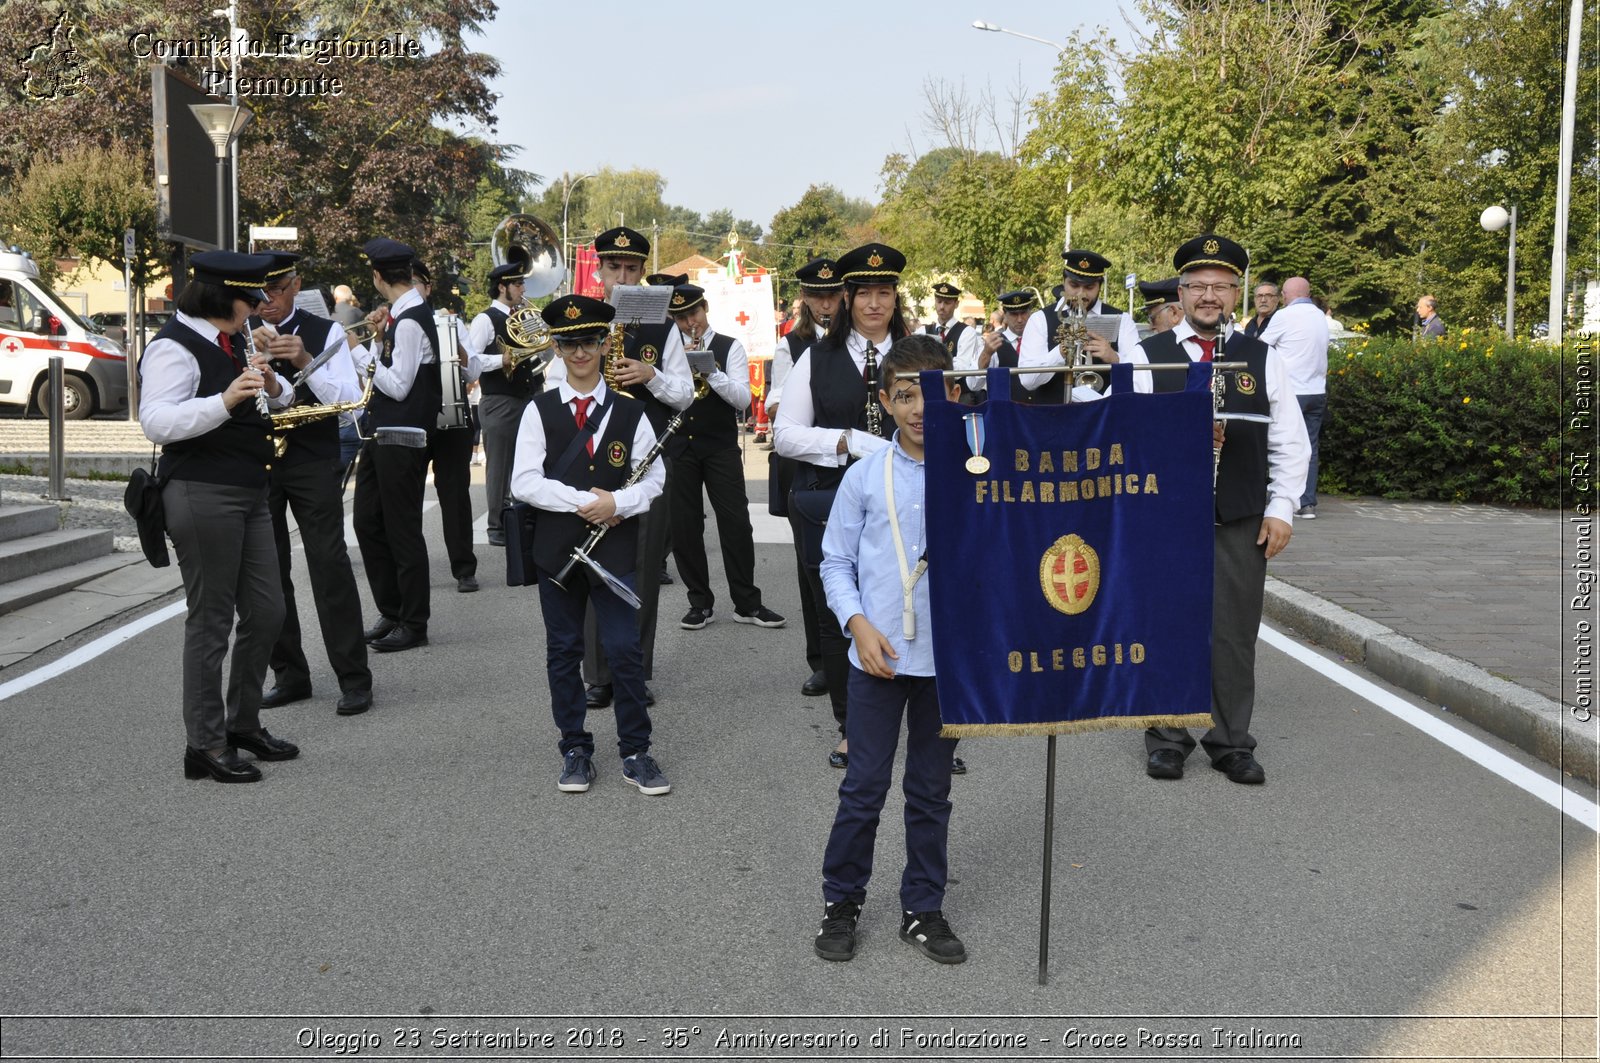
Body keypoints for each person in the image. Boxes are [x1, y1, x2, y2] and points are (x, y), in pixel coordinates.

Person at [1127, 234, 1309, 786]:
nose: (1210, 296)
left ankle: (1230, 741)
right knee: (1166, 625)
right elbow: (1122, 434)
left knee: (1233, 632)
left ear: (1237, 294)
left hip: (1240, 515)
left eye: (1222, 286)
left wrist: (1282, 508)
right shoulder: (1145, 355)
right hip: (1164, 518)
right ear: (1180, 293)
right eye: (1199, 286)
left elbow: (1290, 441)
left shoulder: (1263, 358)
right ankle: (1167, 737)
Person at [814, 333, 965, 965]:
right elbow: (834, 562)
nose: (920, 409)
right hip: (877, 658)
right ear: (884, 401)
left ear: (954, 393)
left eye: (933, 393)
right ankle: (842, 901)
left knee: (930, 791)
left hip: (948, 661)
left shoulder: (980, 463)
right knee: (865, 787)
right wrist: (856, 624)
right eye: (906, 396)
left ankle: (923, 907)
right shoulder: (862, 476)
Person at [140, 250, 298, 782]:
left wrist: (273, 386)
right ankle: (204, 745)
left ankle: (241, 723)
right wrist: (226, 400)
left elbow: (277, 398)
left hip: (249, 488)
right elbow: (157, 422)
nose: (257, 309)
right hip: (201, 490)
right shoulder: (172, 348)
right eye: (249, 300)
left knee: (268, 611)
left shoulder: (231, 339)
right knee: (210, 622)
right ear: (217, 297)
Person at [509, 294, 669, 796]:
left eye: (590, 342)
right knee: (564, 650)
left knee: (624, 650)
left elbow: (656, 478)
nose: (580, 352)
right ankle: (575, 747)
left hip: (614, 549)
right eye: (570, 343)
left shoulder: (630, 411)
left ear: (604, 344)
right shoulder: (538, 410)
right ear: (556, 347)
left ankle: (636, 751)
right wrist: (588, 502)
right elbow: (523, 482)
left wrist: (619, 503)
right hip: (558, 551)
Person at [773, 242, 904, 769]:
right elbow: (785, 436)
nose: (874, 304)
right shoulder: (814, 359)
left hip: (907, 497)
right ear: (846, 298)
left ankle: (927, 726)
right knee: (839, 614)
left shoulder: (919, 351)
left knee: (917, 606)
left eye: (885, 292)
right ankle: (852, 726)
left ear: (896, 297)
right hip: (833, 500)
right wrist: (845, 440)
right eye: (864, 293)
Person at [249, 251, 374, 717]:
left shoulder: (326, 332)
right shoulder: (239, 329)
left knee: (328, 563)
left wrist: (303, 358)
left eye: (276, 292)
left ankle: (354, 678)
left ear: (296, 286)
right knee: (268, 569)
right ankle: (290, 674)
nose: (266, 303)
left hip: (311, 458)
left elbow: (351, 403)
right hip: (259, 458)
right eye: (258, 294)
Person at [574, 229, 694, 711]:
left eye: (631, 269)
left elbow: (685, 395)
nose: (622, 278)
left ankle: (632, 670)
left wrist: (652, 376)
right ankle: (596, 673)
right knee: (591, 564)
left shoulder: (664, 328)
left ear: (641, 273)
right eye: (614, 268)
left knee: (641, 570)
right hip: (588, 459)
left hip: (646, 462)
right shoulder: (580, 323)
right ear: (599, 272)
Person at [665, 282, 786, 632]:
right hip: (681, 446)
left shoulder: (729, 346)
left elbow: (743, 399)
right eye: (681, 317)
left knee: (735, 523)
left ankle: (747, 602)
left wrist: (709, 371)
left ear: (705, 309)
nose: (690, 322)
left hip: (719, 446)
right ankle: (699, 603)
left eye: (694, 313)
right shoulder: (669, 350)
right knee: (685, 526)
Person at [349, 237, 441, 653]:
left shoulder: (409, 321)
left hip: (402, 439)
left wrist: (357, 354)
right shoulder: (402, 317)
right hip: (382, 435)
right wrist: (374, 339)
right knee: (367, 521)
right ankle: (392, 609)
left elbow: (398, 386)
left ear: (378, 276)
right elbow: (390, 369)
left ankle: (414, 622)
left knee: (402, 530)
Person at [767, 257, 843, 699]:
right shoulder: (789, 346)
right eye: (816, 295)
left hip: (849, 462)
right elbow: (777, 406)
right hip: (808, 467)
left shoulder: (858, 343)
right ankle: (821, 660)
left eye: (832, 295)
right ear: (805, 299)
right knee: (810, 567)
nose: (825, 303)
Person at [414, 260, 478, 593]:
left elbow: (474, 370)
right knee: (406, 496)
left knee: (454, 494)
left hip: (451, 419)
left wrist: (460, 352)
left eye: (416, 284)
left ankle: (464, 568)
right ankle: (409, 570)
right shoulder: (396, 324)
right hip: (411, 421)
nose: (410, 291)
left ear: (426, 288)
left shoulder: (448, 321)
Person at [467, 262, 539, 548]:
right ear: (502, 287)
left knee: (530, 461)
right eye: (518, 284)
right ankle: (496, 525)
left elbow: (538, 347)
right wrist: (502, 360)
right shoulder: (486, 320)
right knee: (499, 465)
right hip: (499, 400)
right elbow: (470, 361)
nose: (523, 288)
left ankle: (522, 518)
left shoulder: (522, 315)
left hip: (527, 396)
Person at [1017, 249, 1143, 402]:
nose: (1080, 294)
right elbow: (1027, 381)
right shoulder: (1040, 319)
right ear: (1064, 282)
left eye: (1089, 287)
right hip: (1053, 416)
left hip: (1104, 417)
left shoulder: (1123, 320)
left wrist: (1114, 358)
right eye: (1074, 285)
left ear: (1099, 286)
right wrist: (1060, 353)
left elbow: (1142, 376)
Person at [1258, 277, 1329, 520]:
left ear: (1287, 295)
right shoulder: (1320, 316)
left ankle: (1277, 497)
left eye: (1283, 295)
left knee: (1278, 445)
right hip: (1317, 391)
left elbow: (1260, 347)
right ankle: (1307, 503)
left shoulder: (1284, 316)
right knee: (1310, 448)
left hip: (1291, 392)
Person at [967, 290, 1035, 401]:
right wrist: (986, 353)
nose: (1019, 319)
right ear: (1005, 314)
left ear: (1029, 312)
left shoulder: (1039, 340)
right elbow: (973, 384)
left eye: (1023, 313)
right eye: (1013, 314)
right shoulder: (994, 343)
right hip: (1007, 413)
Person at [921, 281, 979, 399]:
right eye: (939, 302)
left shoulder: (967, 332)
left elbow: (962, 366)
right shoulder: (922, 331)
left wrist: (930, 368)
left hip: (958, 396)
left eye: (947, 303)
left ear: (956, 304)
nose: (942, 307)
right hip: (928, 394)